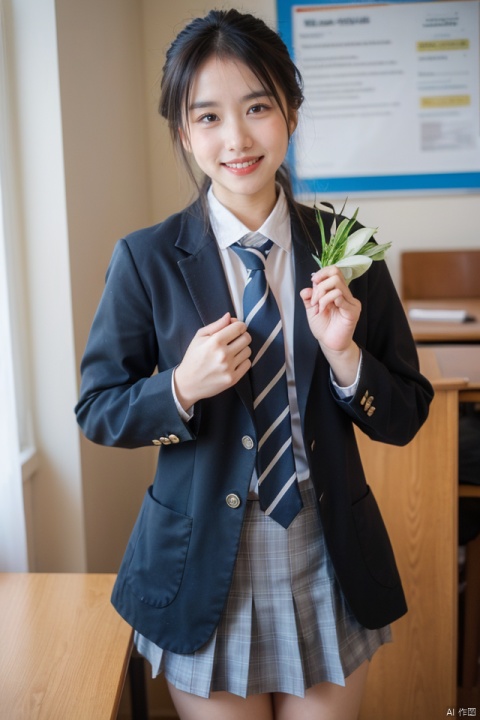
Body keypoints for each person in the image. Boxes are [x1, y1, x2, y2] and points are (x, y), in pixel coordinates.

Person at [75, 9, 434, 720]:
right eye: (206, 117)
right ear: (183, 133)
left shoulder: (346, 247)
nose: (236, 138)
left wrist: (346, 357)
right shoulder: (145, 260)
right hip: (201, 563)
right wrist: (180, 387)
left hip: (325, 554)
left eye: (258, 107)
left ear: (290, 114)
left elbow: (406, 413)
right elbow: (98, 409)